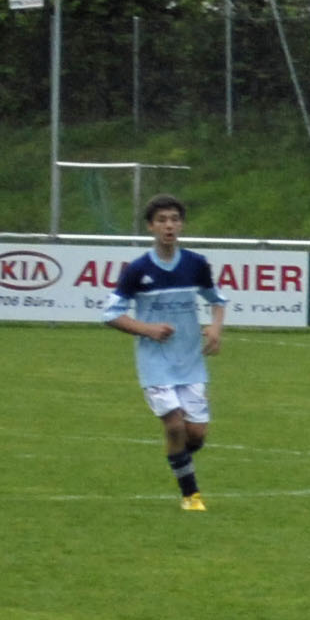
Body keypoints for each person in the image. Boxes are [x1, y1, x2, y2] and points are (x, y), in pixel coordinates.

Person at [102, 194, 227, 512]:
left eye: (174, 219)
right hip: (155, 363)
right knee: (174, 426)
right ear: (150, 227)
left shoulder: (196, 264)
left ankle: (177, 456)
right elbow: (111, 314)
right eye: (161, 220)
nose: (169, 225)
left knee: (195, 435)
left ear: (181, 225)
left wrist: (215, 328)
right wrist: (148, 329)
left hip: (190, 361)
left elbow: (217, 301)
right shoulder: (137, 270)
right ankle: (191, 496)